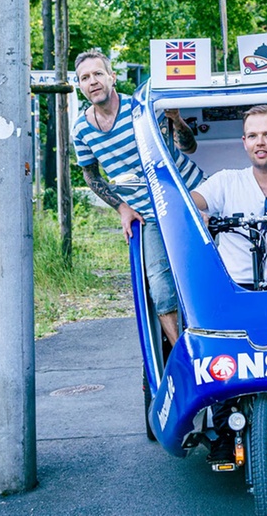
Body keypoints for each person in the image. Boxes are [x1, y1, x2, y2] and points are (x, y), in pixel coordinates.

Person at [72, 48, 204, 346]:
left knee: (209, 272)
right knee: (159, 287)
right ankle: (187, 352)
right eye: (84, 77)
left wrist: (177, 120)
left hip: (190, 198)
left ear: (112, 77)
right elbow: (91, 175)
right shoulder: (82, 130)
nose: (92, 81)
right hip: (150, 214)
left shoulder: (142, 110)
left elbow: (189, 146)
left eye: (97, 74)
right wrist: (121, 207)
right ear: (79, 86)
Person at [191, 105, 267, 289]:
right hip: (232, 287)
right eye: (252, 136)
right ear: (245, 142)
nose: (260, 142)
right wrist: (193, 211)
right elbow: (188, 201)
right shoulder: (225, 180)